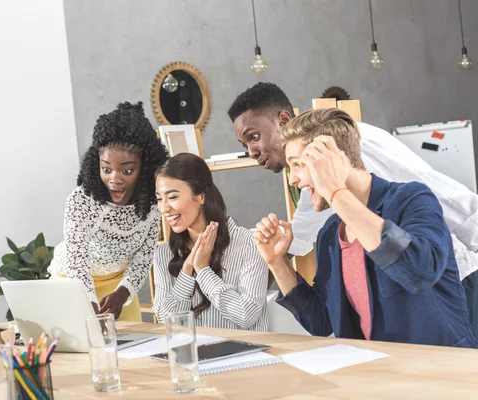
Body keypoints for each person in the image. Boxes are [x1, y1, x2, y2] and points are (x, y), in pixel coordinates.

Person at [228, 82, 478, 337]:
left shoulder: (365, 153)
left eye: (254, 137)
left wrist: (336, 192)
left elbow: (438, 199)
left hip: (452, 275)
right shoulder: (331, 230)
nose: (251, 152)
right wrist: (275, 261)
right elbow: (322, 319)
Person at [53, 101, 167, 321]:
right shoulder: (81, 201)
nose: (114, 179)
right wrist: (89, 305)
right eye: (106, 169)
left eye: (127, 170)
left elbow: (144, 256)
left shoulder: (153, 203)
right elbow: (77, 261)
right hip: (72, 284)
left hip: (118, 289)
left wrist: (122, 293)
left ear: (145, 167)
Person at [152, 153, 268, 331]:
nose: (164, 208)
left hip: (241, 356)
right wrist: (187, 270)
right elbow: (167, 323)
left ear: (200, 196)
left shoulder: (250, 244)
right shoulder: (163, 254)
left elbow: (247, 316)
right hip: (191, 355)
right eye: (160, 199)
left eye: (172, 197)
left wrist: (203, 270)